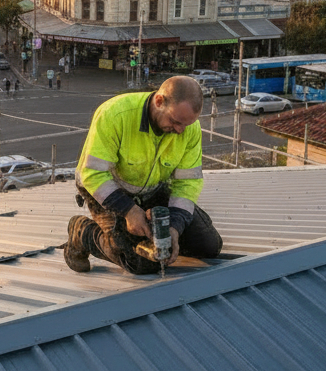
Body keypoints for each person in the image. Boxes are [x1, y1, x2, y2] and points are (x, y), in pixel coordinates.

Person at [64, 76, 222, 276]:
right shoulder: (114, 115)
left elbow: (188, 182)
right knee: (140, 263)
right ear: (158, 102)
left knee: (209, 246)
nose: (180, 131)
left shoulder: (188, 129)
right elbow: (93, 174)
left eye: (186, 124)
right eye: (175, 122)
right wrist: (130, 211)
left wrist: (175, 226)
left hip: (150, 188)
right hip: (106, 189)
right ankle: (82, 232)